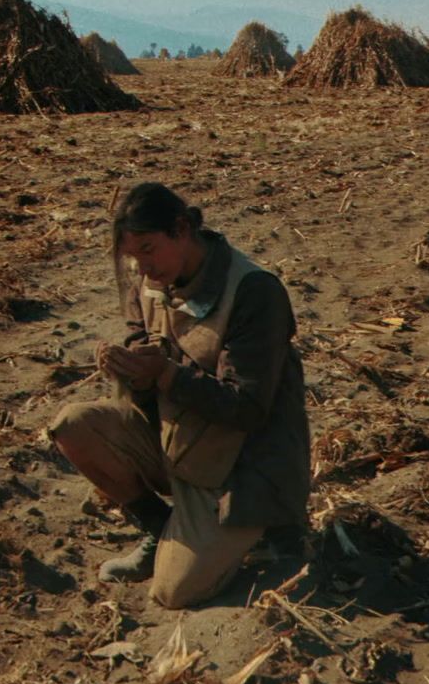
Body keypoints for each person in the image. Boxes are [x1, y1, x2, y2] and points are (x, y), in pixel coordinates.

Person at [49, 182, 311, 609]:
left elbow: (247, 408)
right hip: (181, 445)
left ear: (182, 229)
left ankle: (270, 532)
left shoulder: (253, 291)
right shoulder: (152, 282)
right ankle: (162, 529)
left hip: (242, 472)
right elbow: (142, 341)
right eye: (134, 258)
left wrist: (167, 375)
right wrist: (130, 367)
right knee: (74, 426)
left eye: (150, 250)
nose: (144, 268)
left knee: (174, 593)